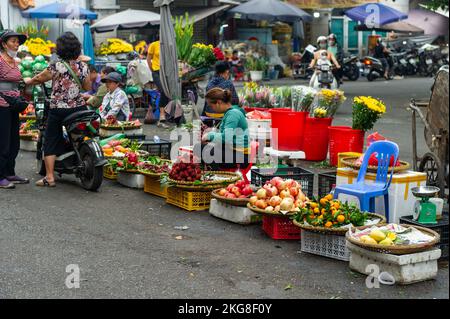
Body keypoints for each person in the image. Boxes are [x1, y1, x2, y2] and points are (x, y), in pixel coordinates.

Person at [25, 32, 91, 187]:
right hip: (79, 108)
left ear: (60, 49)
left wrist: (28, 81)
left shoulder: (56, 66)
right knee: (79, 136)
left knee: (51, 139)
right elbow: (87, 87)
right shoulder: (83, 66)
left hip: (59, 109)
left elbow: (39, 79)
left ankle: (50, 177)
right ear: (77, 48)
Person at [0, 29, 29, 189]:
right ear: (4, 44)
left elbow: (17, 82)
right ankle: (0, 176)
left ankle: (10, 172)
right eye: (13, 41)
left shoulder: (15, 62)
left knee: (14, 142)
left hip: (13, 105)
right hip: (2, 106)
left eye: (17, 42)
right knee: (3, 142)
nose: (16, 44)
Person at [198, 88, 249, 170]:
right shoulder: (230, 113)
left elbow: (226, 138)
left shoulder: (233, 114)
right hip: (233, 150)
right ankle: (209, 174)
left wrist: (209, 135)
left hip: (241, 156)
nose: (212, 109)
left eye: (211, 106)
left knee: (210, 152)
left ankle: (216, 177)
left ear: (218, 102)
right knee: (200, 147)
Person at [147, 34, 168, 127]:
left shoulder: (169, 45)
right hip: (157, 71)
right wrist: (153, 70)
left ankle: (166, 113)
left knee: (167, 92)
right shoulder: (154, 45)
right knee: (163, 90)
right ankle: (162, 114)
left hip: (167, 72)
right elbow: (148, 58)